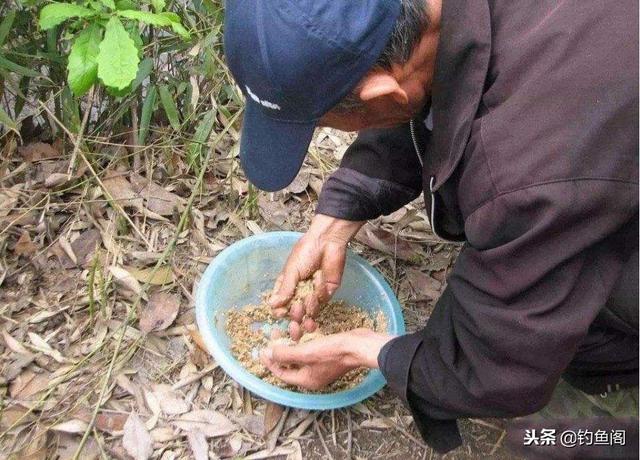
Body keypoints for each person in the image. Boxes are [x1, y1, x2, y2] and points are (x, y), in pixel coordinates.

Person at [224, 0, 638, 454]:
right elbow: (431, 80)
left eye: (319, 123)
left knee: (586, 334)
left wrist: (366, 352)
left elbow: (494, 369)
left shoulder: (527, 171)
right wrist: (337, 217)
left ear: (384, 97)